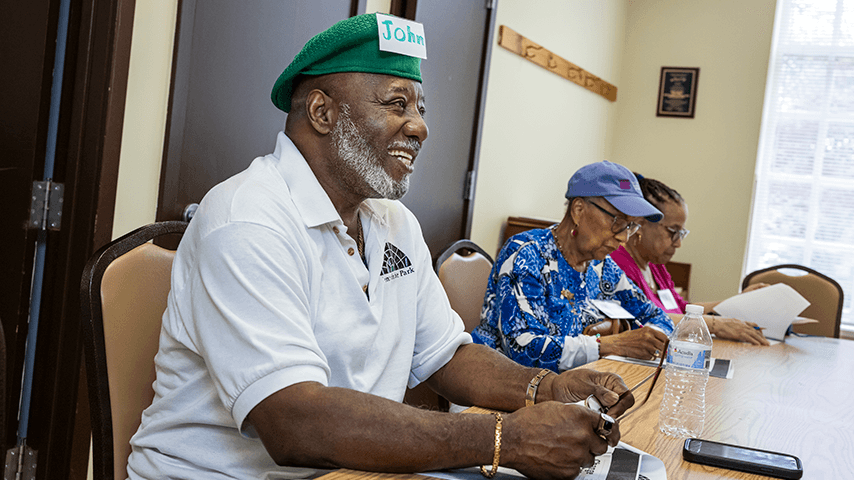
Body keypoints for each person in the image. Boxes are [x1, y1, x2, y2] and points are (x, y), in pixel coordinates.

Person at [126, 14, 634, 480]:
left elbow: (445, 358)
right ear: (323, 112)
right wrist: (505, 439)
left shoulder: (393, 223)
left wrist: (544, 387)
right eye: (396, 104)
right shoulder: (247, 220)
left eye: (420, 107)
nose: (419, 126)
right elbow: (294, 422)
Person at [471, 161, 674, 373]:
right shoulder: (526, 254)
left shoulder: (601, 266)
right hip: (501, 385)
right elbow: (522, 349)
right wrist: (613, 345)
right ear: (578, 210)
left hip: (566, 387)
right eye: (618, 221)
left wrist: (648, 339)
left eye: (631, 226)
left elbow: (658, 317)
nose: (623, 237)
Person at [609, 174, 769, 346]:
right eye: (673, 232)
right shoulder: (617, 263)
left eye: (682, 234)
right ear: (640, 224)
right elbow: (641, 319)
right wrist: (716, 325)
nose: (678, 243)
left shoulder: (656, 266)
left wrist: (739, 301)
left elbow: (682, 309)